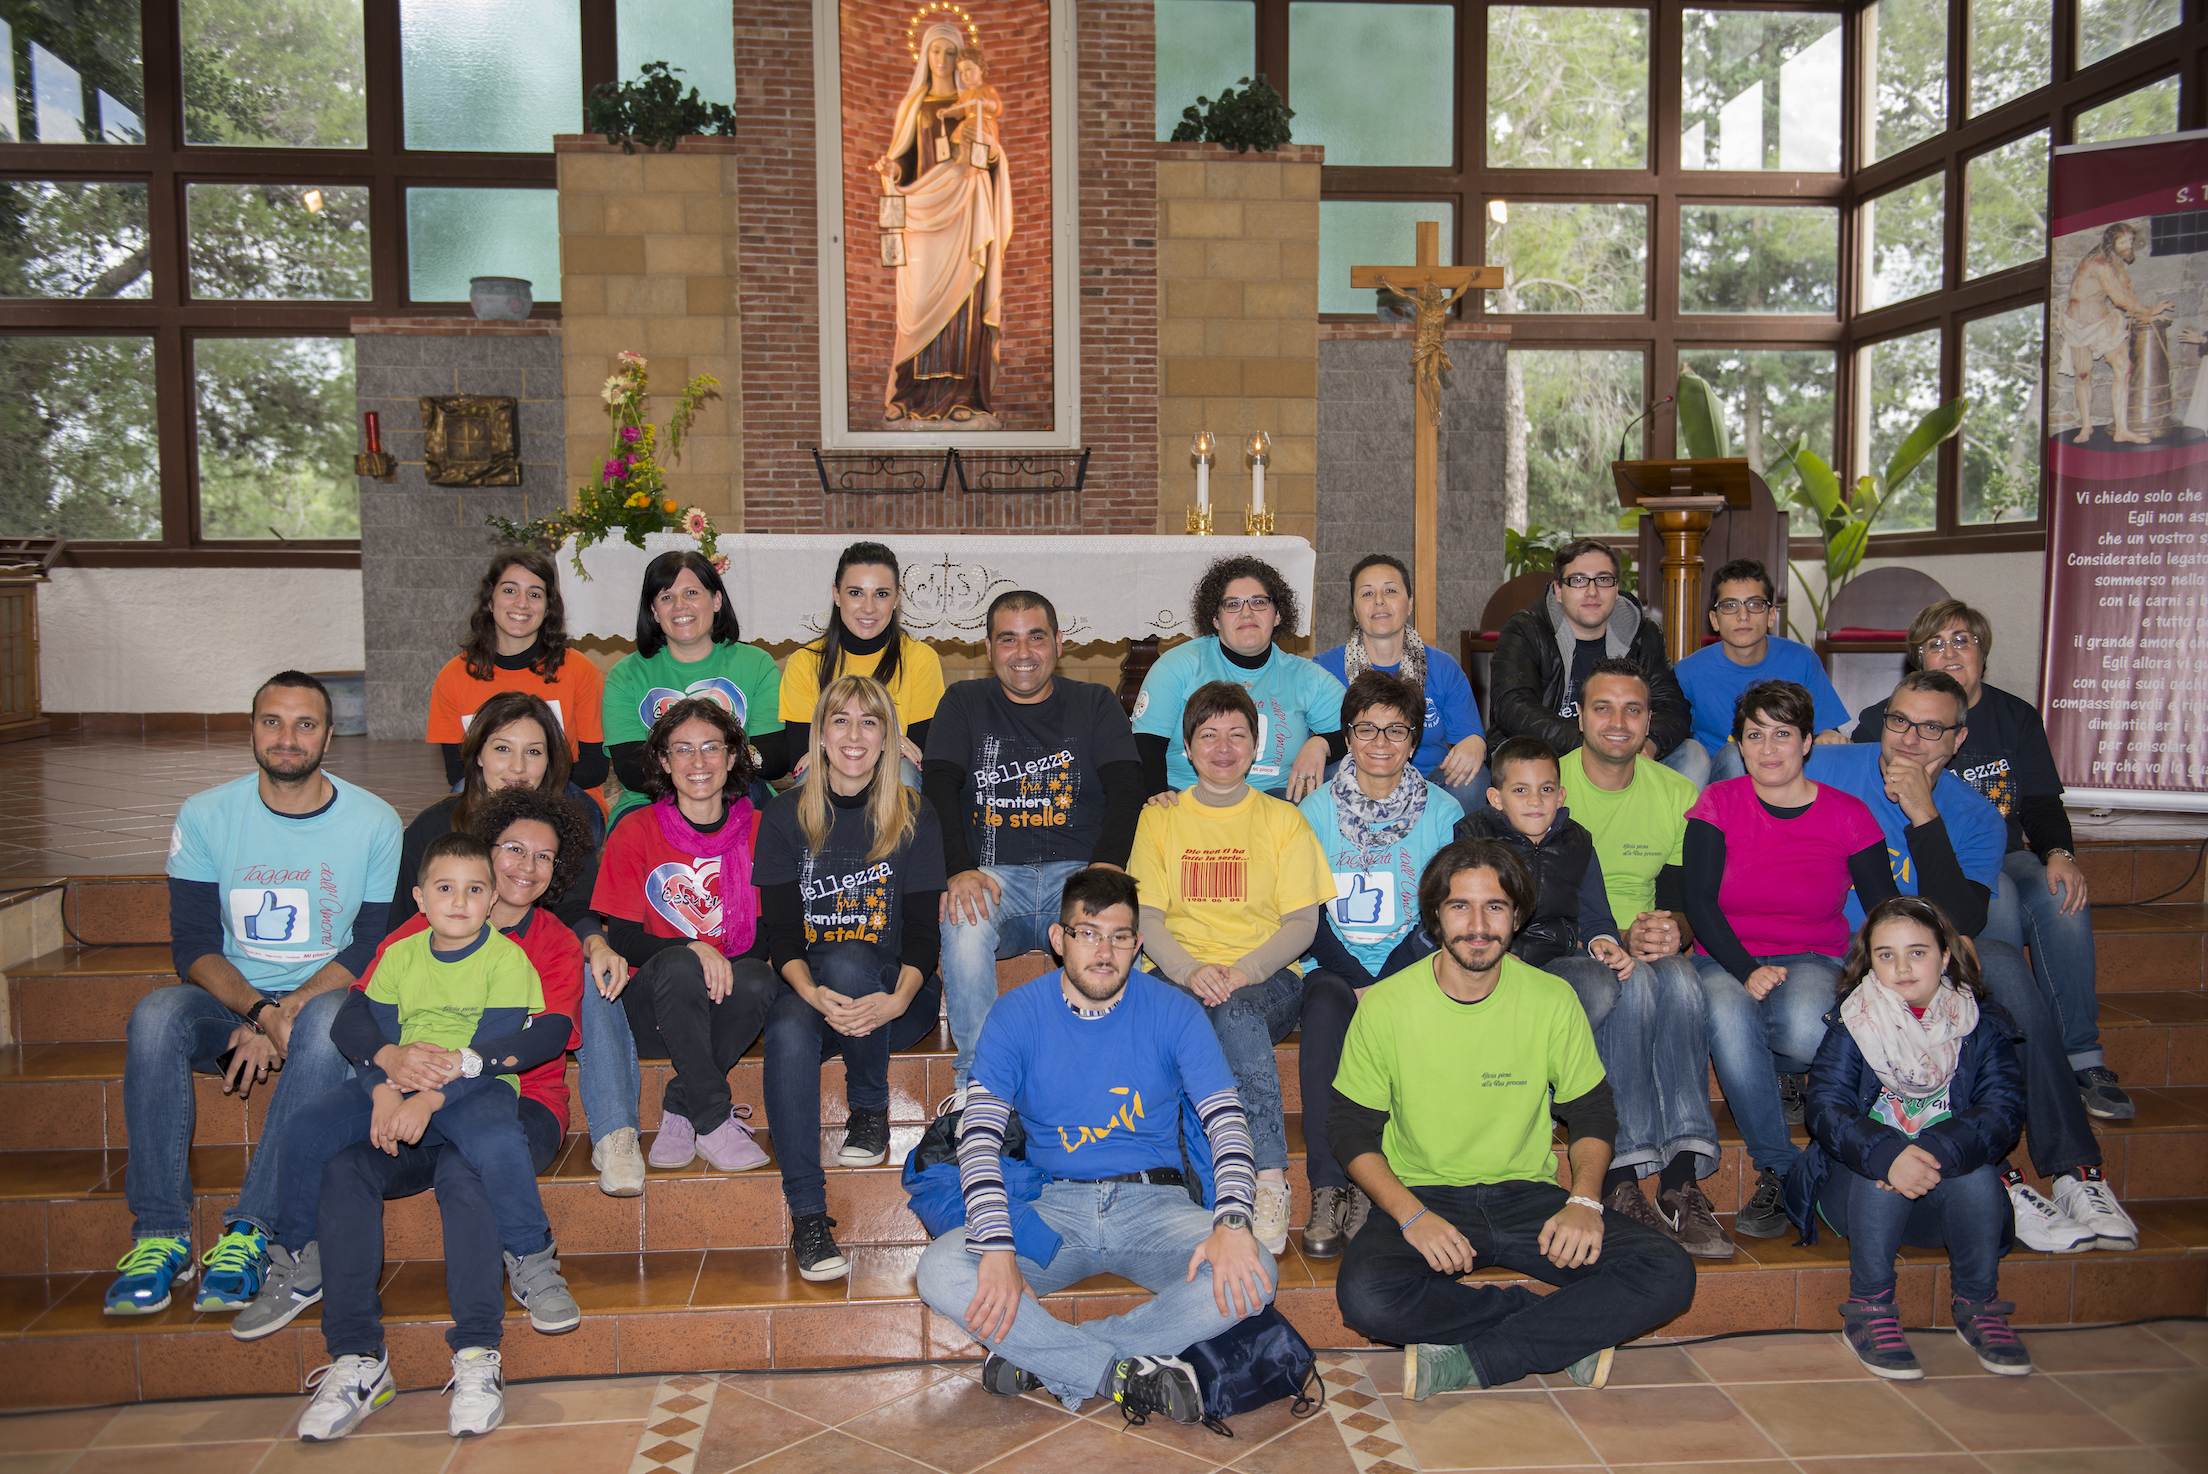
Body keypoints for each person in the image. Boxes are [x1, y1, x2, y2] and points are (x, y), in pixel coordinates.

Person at [1332, 838, 1697, 1397]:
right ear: (1435, 915)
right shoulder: (1385, 1004)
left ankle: (1477, 1360)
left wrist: (1584, 1201)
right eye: (1460, 906)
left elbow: (1592, 1109)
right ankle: (1558, 1330)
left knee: (1669, 1272)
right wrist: (1411, 1216)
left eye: (1495, 907)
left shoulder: (1552, 998)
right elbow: (1349, 1129)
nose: (1478, 926)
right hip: (1427, 1196)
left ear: (1518, 916)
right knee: (1366, 1297)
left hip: (1529, 1198)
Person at [233, 786, 595, 1345]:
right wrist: (386, 1071)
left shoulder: (543, 946)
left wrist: (433, 1089)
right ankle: (332, 1314)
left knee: (467, 1168)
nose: (528, 866)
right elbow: (359, 1016)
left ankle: (491, 1324)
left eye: (543, 856)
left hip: (507, 1098)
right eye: (514, 849)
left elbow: (535, 1039)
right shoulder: (414, 939)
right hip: (406, 1092)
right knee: (335, 1159)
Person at [912, 867, 1274, 1423]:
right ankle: (1117, 1372)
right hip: (1054, 1210)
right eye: (1088, 933)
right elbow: (978, 1138)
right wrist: (998, 1247)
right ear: (1058, 939)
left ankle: (1052, 1359)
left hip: (1156, 1208)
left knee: (1256, 1272)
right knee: (941, 1270)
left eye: (1119, 936)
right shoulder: (1016, 1014)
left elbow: (1227, 1122)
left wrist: (1231, 1222)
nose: (1104, 952)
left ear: (1138, 944)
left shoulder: (1175, 1010)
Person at [1812, 670, 2138, 1253]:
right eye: (1899, 721)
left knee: (2001, 965)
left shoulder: (1977, 817)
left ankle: (2076, 1173)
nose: (1909, 740)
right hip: (1840, 953)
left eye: (1931, 728)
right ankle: (2002, 1180)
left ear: (1959, 739)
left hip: (1922, 960)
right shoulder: (1832, 767)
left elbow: (1960, 921)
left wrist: (1923, 815)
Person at [108, 672, 401, 1318]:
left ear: (329, 736)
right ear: (251, 730)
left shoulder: (375, 821)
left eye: (305, 724)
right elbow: (192, 946)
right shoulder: (206, 814)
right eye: (273, 721)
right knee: (155, 1017)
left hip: (320, 1001)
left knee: (326, 1024)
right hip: (234, 1002)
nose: (287, 738)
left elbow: (370, 947)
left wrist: (286, 1008)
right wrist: (260, 1013)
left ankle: (252, 1232)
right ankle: (161, 1235)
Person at [1858, 598, 2135, 1120]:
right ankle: (1998, 1042)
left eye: (1962, 641)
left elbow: (2041, 803)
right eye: (1935, 643)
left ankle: (2082, 1054)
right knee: (1995, 900)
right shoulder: (1886, 720)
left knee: (2059, 894)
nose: (1950, 652)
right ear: (1918, 659)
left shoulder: (2015, 717)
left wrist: (2059, 854)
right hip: (1938, 861)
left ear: (1982, 653)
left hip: (2004, 849)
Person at [1459, 736, 1729, 1258]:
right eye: (1520, 790)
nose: (1535, 800)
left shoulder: (1576, 840)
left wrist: (1604, 942)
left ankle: (1676, 1179)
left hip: (1562, 960)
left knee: (1635, 977)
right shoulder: (1474, 836)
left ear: (1561, 796)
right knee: (1611, 985)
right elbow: (1461, 912)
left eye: (1546, 790)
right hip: (1502, 965)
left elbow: (1595, 915)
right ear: (1496, 798)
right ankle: (1618, 1169)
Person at [1783, 896, 2032, 1380]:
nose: (1902, 968)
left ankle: (1978, 1305)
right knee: (1879, 1170)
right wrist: (1889, 1155)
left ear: (1946, 955)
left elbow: (2002, 1112)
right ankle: (1869, 1310)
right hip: (1856, 1197)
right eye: (1886, 955)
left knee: (1978, 1175)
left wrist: (1935, 1150)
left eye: (1917, 952)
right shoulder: (1853, 1020)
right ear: (1869, 963)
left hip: (1941, 1197)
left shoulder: (1983, 1024)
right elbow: (1827, 1109)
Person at [1128, 680, 1334, 1254]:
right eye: (1208, 735)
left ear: (1256, 744)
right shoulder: (1160, 818)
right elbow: (1146, 916)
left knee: (1235, 1013)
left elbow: (1302, 923)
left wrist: (1241, 971)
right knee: (1184, 1019)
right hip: (1177, 974)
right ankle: (1188, 1190)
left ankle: (1267, 1180)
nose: (1223, 748)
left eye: (1237, 735)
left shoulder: (1284, 820)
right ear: (1187, 747)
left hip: (1268, 980)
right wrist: (1190, 970)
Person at [1686, 679, 1897, 1239]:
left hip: (1812, 954)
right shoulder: (1717, 802)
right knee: (1729, 1014)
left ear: (1807, 742)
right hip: (1725, 955)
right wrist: (1746, 970)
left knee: (1805, 1030)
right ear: (1738, 744)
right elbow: (1699, 900)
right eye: (1755, 735)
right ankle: (1780, 1169)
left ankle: (1783, 1070)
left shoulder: (1849, 814)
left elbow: (1885, 906)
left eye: (1783, 734)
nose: (1768, 748)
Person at [757, 675, 948, 1282]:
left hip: (896, 998)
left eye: (870, 721)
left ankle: (869, 1107)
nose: (855, 734)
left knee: (847, 958)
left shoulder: (914, 813)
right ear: (819, 734)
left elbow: (924, 935)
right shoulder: (784, 816)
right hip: (813, 992)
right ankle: (808, 1216)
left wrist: (896, 1001)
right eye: (840, 720)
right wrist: (809, 993)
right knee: (789, 1028)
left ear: (889, 738)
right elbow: (781, 937)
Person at [925, 589, 1144, 1091]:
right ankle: (981, 1085)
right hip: (994, 879)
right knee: (962, 920)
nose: (1023, 653)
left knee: (1122, 920)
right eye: (1008, 639)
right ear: (988, 648)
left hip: (1079, 876)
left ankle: (1111, 1073)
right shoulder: (963, 702)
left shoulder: (1095, 702)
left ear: (1059, 643)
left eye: (1036, 637)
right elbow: (937, 787)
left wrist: (1107, 867)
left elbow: (1127, 787)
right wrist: (958, 868)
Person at [1556, 659, 1738, 1252]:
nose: (1618, 721)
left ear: (1648, 720)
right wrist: (1613, 939)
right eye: (1603, 708)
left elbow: (1685, 901)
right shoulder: (1551, 785)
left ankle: (1682, 1179)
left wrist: (1671, 931)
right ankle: (1621, 1174)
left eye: (1632, 709)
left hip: (1644, 944)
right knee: (1631, 982)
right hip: (1570, 943)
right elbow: (1536, 901)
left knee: (1682, 978)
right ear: (1580, 718)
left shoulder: (1677, 793)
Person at [1295, 670, 1460, 1257]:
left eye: (1396, 730)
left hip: (1412, 964)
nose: (1381, 742)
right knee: (1323, 1005)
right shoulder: (1314, 811)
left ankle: (1376, 1182)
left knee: (1410, 1012)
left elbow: (1445, 909)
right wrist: (1359, 979)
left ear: (1414, 741)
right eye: (1366, 729)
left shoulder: (1443, 813)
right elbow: (1305, 908)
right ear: (1347, 737)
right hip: (1332, 965)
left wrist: (1386, 980)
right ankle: (1327, 1186)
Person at [591, 697, 781, 1174]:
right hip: (656, 1009)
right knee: (679, 964)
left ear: (732, 757)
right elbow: (624, 940)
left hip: (726, 1004)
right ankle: (714, 1121)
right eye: (683, 749)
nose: (698, 761)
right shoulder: (635, 830)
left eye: (711, 747)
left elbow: (765, 934)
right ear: (663, 760)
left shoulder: (761, 829)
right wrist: (696, 949)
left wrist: (718, 967)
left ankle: (681, 1108)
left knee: (759, 976)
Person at [872, 22, 1011, 425]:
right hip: (924, 210)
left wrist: (989, 152)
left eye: (951, 53)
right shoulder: (914, 105)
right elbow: (905, 156)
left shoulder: (975, 101)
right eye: (935, 51)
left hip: (965, 205)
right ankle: (909, 394)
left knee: (965, 298)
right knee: (918, 300)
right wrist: (892, 170)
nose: (943, 60)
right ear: (924, 55)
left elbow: (991, 154)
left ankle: (966, 396)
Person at [1488, 538, 1704, 785]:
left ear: (1616, 588)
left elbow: (1672, 706)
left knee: (1692, 755)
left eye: (1603, 579)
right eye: (1578, 580)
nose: (1592, 591)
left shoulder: (1643, 634)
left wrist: (1648, 743)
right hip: (1546, 752)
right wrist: (1594, 747)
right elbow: (1512, 706)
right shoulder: (1525, 630)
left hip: (1624, 747)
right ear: (1558, 590)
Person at [1133, 555, 1345, 802]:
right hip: (1189, 799)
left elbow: (1362, 728)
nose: (1246, 613)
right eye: (1233, 604)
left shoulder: (1306, 676)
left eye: (1259, 602)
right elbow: (1146, 745)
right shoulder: (1177, 666)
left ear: (1278, 615)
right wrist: (1160, 802)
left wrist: (1321, 743)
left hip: (1275, 802)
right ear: (1215, 619)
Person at [602, 550, 790, 821]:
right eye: (666, 597)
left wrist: (707, 768)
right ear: (654, 612)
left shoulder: (756, 664)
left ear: (716, 600)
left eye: (691, 593)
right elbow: (630, 770)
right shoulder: (626, 675)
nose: (680, 605)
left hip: (738, 792)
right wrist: (704, 767)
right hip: (653, 798)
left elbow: (776, 757)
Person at [425, 547, 608, 795]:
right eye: (510, 590)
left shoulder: (581, 671)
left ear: (547, 608)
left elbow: (596, 767)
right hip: (488, 793)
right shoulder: (453, 677)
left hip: (562, 794)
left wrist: (531, 780)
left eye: (534, 594)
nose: (522, 603)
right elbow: (458, 772)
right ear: (490, 601)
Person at [1316, 554, 1486, 813]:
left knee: (1473, 779)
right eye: (1367, 594)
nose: (1379, 601)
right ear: (1354, 610)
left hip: (1430, 788)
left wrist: (1475, 743)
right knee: (1323, 776)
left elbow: (1470, 737)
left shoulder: (1443, 666)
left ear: (1409, 604)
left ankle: (1447, 841)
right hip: (1357, 785)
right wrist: (1316, 745)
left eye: (1390, 591)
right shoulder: (1324, 669)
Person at [779, 541, 945, 788]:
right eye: (856, 593)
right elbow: (802, 753)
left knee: (904, 775)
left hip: (893, 770)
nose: (868, 608)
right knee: (810, 778)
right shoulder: (805, 662)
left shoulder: (920, 658)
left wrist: (831, 742)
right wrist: (888, 741)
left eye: (881, 594)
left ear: (897, 597)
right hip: (831, 766)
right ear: (837, 595)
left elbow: (920, 751)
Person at [1672, 558, 1848, 782]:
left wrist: (1830, 735)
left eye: (1754, 604)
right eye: (1730, 606)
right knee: (1735, 754)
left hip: (1784, 774)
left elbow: (1827, 731)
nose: (1743, 616)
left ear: (1771, 615)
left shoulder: (1802, 660)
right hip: (1712, 781)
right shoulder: (1688, 672)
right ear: (1714, 620)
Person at [2062, 221, 2170, 445]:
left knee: (2124, 367)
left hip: (2101, 318)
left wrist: (2145, 314)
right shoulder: (2099, 263)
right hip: (2079, 322)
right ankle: (2086, 427)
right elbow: (2120, 300)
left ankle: (2122, 430)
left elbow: (2126, 292)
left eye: (2130, 240)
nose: (2128, 245)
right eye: (2123, 242)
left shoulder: (2116, 260)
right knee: (2083, 375)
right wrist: (2148, 310)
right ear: (2112, 242)